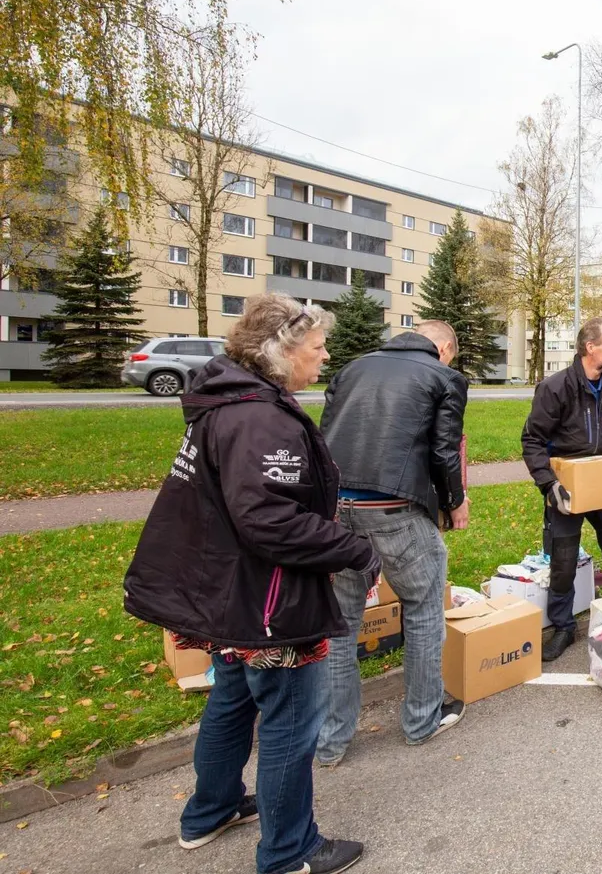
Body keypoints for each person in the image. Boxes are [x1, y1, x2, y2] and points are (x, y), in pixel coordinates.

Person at [124, 294, 376, 874]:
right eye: (317, 347)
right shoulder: (259, 417)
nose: (325, 355)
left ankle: (209, 811)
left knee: (233, 700)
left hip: (227, 590)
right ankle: (290, 851)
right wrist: (355, 549)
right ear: (283, 351)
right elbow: (270, 521)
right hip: (266, 601)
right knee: (290, 720)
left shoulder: (229, 402)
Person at [316, 321, 470, 765]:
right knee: (422, 609)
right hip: (395, 509)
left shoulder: (351, 369)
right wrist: (454, 502)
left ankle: (331, 739)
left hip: (340, 508)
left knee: (341, 623)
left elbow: (324, 437)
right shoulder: (444, 376)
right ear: (443, 348)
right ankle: (422, 719)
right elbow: (443, 451)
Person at [521, 317, 602, 661]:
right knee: (564, 561)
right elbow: (532, 440)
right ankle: (563, 627)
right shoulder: (555, 388)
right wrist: (548, 484)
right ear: (591, 347)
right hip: (566, 489)